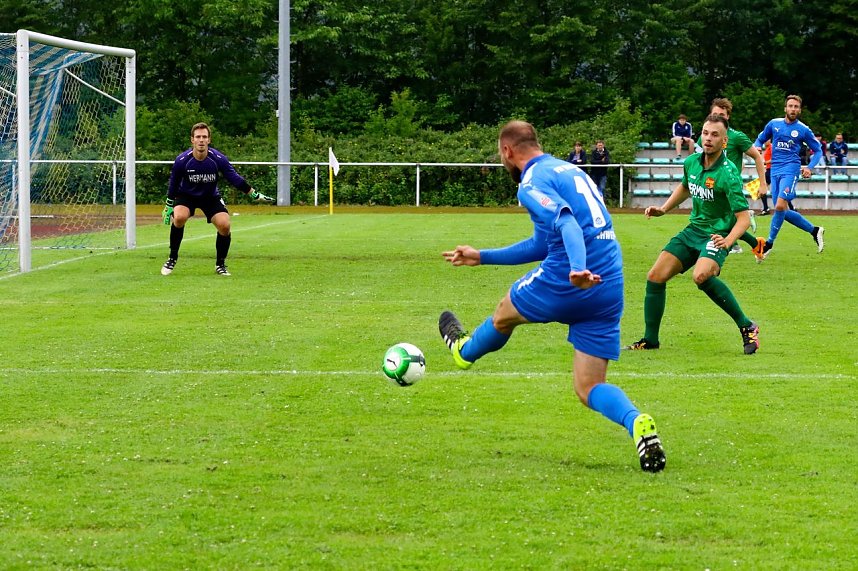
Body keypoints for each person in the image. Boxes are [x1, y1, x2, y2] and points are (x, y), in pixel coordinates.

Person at [439, 120, 665, 473]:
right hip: (608, 281)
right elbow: (542, 243)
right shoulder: (570, 170)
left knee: (503, 314)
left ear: (507, 151)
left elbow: (566, 223)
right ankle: (636, 422)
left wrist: (576, 268)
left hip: (569, 279)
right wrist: (482, 256)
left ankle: (463, 352)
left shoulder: (531, 182)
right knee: (590, 386)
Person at [625, 114, 759, 355]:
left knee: (701, 276)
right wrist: (664, 209)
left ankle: (747, 326)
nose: (708, 138)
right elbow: (686, 187)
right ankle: (650, 340)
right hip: (693, 230)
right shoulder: (692, 162)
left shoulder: (729, 174)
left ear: (724, 141)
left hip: (716, 235)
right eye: (706, 133)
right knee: (655, 276)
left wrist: (728, 241)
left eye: (715, 135)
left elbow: (744, 218)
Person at [161, 122, 273, 276]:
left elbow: (234, 178)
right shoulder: (182, 160)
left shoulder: (218, 158)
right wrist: (169, 205)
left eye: (204, 137)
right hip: (186, 196)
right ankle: (172, 258)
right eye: (198, 137)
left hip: (210, 197)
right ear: (192, 140)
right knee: (179, 218)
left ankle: (220, 264)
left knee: (225, 225)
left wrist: (253, 194)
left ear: (209, 140)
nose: (201, 140)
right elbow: (173, 183)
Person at [752, 95, 825, 262]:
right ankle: (814, 230)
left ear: (799, 110)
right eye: (790, 106)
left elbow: (818, 150)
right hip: (774, 169)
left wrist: (809, 167)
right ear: (785, 108)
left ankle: (768, 244)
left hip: (791, 169)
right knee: (782, 210)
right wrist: (757, 146)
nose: (793, 109)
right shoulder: (774, 124)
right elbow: (760, 138)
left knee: (779, 205)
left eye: (796, 107)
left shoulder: (803, 129)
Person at [703, 98, 767, 255]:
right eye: (715, 114)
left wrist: (763, 183)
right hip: (713, 184)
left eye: (722, 115)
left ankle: (734, 243)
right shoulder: (707, 135)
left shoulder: (736, 137)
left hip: (730, 185)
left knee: (717, 219)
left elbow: (757, 156)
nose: (718, 117)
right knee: (715, 218)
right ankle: (755, 242)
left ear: (728, 116)